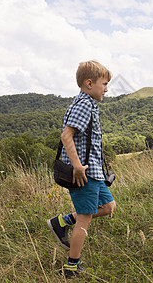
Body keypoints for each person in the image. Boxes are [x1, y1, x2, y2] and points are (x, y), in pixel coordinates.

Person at [47, 60, 116, 278]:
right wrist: (77, 166)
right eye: (104, 84)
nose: (106, 88)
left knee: (108, 206)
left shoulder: (89, 103)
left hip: (94, 172)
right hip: (84, 173)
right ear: (89, 83)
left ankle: (62, 221)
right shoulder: (84, 104)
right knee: (84, 219)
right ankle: (71, 267)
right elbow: (66, 136)